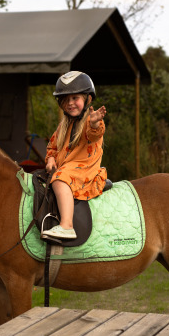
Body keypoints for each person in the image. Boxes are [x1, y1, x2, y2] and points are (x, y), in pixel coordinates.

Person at [41, 71, 107, 242]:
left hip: (84, 169)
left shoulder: (91, 121)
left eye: (75, 98)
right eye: (65, 99)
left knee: (60, 178)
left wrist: (94, 123)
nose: (70, 103)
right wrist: (50, 159)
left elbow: (95, 134)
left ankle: (67, 226)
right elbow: (53, 146)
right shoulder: (64, 125)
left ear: (87, 99)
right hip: (66, 167)